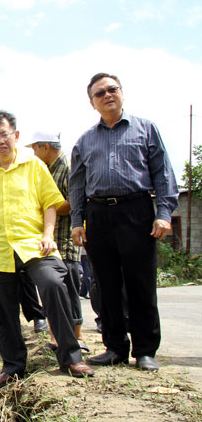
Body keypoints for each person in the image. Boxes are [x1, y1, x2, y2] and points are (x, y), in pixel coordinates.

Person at [0, 110, 93, 387]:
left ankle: (70, 357)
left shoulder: (35, 166)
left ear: (16, 136)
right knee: (3, 308)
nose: (0, 140)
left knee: (53, 285)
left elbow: (50, 203)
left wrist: (48, 235)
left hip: (34, 244)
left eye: (5, 134)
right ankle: (13, 367)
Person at [70, 73, 179, 372]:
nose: (107, 95)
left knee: (140, 282)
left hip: (137, 211)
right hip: (99, 215)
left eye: (112, 89)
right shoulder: (84, 140)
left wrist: (163, 213)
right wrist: (78, 220)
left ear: (121, 93)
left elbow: (163, 173)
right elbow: (77, 185)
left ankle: (145, 350)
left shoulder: (146, 129)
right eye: (99, 93)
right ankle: (115, 347)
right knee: (106, 284)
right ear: (92, 103)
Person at [27, 130, 87, 351]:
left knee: (69, 288)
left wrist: (46, 207)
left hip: (65, 237)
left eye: (34, 148)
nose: (33, 153)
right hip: (50, 240)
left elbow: (73, 202)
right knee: (52, 290)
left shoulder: (68, 168)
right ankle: (56, 339)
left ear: (45, 147)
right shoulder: (46, 169)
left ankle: (77, 337)